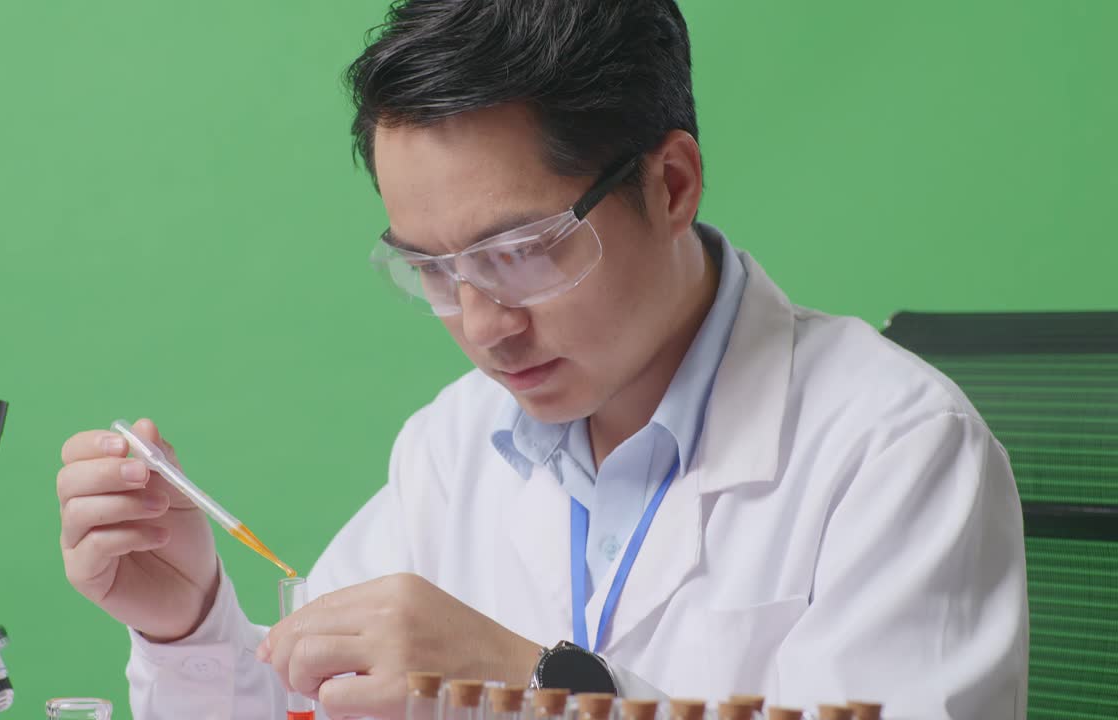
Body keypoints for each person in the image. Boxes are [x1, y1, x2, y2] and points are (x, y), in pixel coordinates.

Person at [54, 1, 1029, 718]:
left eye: (521, 252)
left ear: (672, 182)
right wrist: (184, 627)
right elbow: (298, 704)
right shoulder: (452, 444)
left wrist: (545, 688)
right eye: (430, 269)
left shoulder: (892, 449)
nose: (481, 324)